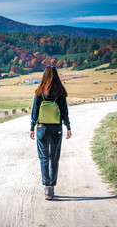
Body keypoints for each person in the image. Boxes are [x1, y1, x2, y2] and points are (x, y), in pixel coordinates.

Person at [30, 65, 72, 200]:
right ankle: (52, 187)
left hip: (42, 128)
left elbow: (35, 112)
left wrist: (32, 127)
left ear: (44, 76)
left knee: (43, 157)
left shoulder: (39, 91)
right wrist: (68, 126)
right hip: (56, 128)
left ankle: (47, 188)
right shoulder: (60, 92)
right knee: (54, 157)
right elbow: (65, 112)